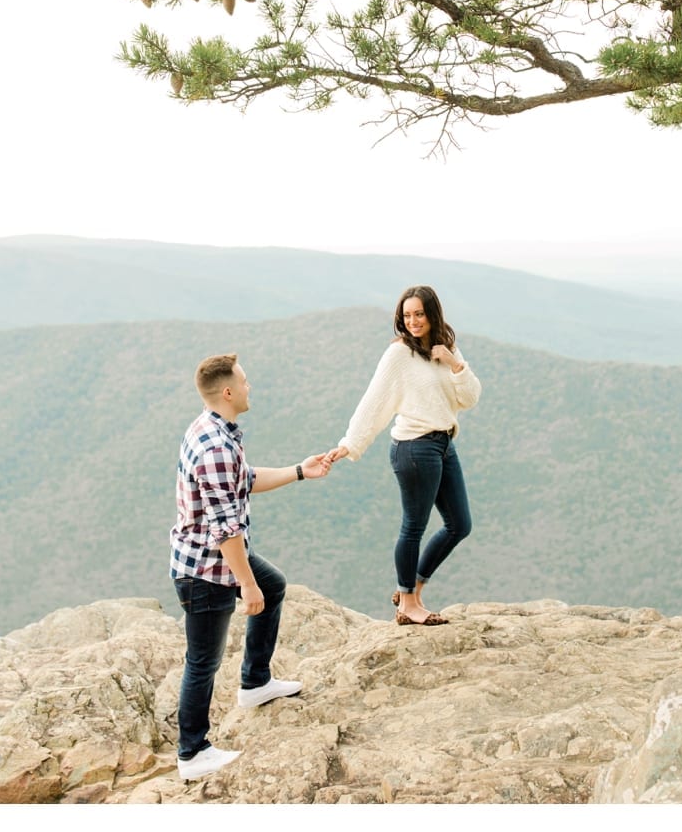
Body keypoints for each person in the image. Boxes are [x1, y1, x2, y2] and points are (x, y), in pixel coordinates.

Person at [170, 352, 333, 781]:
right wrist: (246, 585)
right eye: (244, 381)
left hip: (208, 558)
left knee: (274, 584)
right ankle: (192, 752)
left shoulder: (212, 430)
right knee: (203, 661)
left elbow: (245, 480)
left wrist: (301, 471)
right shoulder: (216, 447)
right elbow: (226, 532)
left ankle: (256, 682)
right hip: (206, 570)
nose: (249, 386)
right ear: (227, 391)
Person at [327, 285, 481, 627]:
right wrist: (351, 443)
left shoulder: (446, 349)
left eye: (419, 314)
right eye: (407, 315)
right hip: (414, 448)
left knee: (460, 525)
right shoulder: (399, 354)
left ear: (432, 314)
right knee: (413, 527)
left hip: (444, 444)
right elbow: (375, 401)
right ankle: (408, 603)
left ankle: (414, 589)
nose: (412, 321)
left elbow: (469, 398)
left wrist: (455, 363)